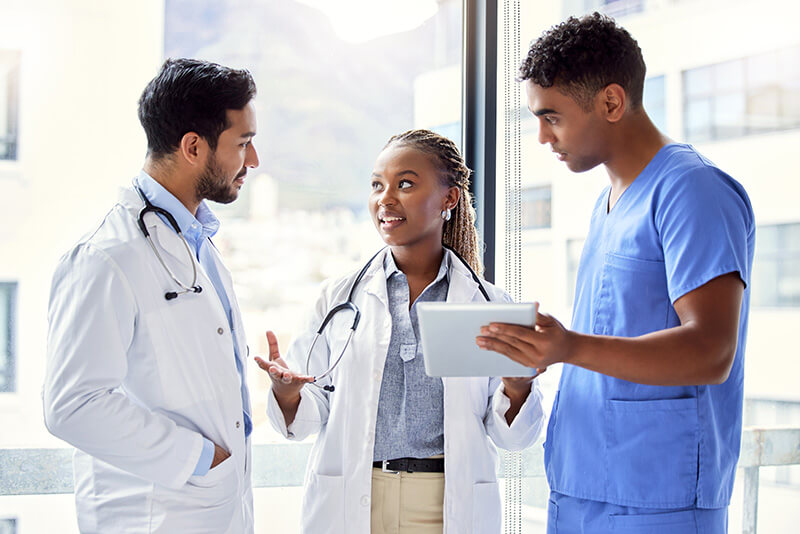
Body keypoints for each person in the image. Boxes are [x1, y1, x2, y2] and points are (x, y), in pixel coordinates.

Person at [477, 13, 755, 533]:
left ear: (610, 102)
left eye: (552, 117)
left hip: (657, 499)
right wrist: (542, 350)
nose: (541, 137)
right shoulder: (608, 204)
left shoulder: (693, 192)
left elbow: (713, 351)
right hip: (581, 488)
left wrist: (570, 347)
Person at [257, 129, 545, 534]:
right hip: (356, 499)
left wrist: (518, 389)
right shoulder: (337, 297)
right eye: (377, 185)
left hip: (445, 504)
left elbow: (513, 439)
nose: (385, 199)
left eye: (405, 184)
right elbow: (307, 416)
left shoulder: (488, 305)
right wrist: (287, 394)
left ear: (449, 198)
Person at [43, 58, 259, 534]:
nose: (254, 161)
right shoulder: (106, 255)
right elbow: (72, 405)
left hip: (213, 509)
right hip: (152, 516)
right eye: (243, 144)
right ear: (193, 147)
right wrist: (202, 459)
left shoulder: (195, 242)